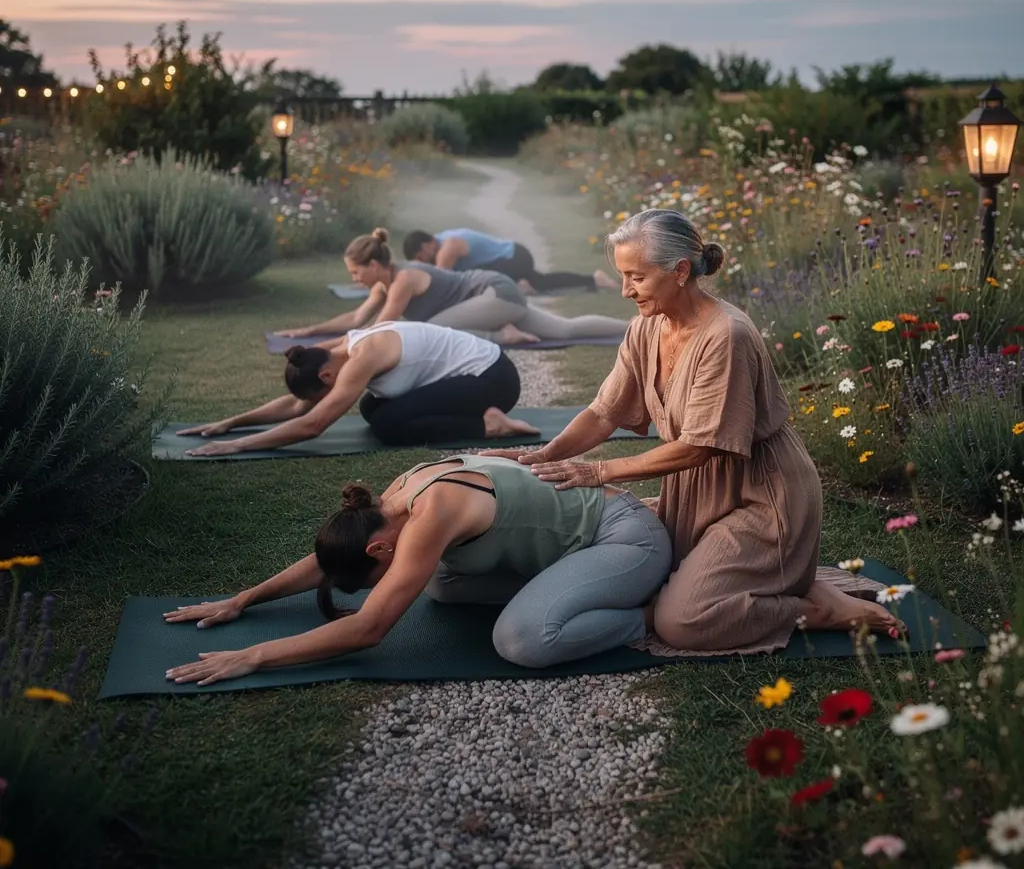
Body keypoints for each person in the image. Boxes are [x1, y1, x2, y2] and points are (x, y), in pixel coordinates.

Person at [482, 208, 903, 655]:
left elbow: (700, 448)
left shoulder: (727, 335)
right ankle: (791, 586)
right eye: (622, 276)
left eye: (636, 277)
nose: (625, 291)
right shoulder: (647, 326)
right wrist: (544, 458)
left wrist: (598, 472)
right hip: (693, 493)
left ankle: (819, 611)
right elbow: (604, 413)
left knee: (682, 622)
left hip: (764, 497)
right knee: (631, 565)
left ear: (680, 270)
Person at [162, 455, 673, 684]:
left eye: (371, 580)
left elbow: (369, 629)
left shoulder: (432, 513)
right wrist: (244, 598)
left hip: (626, 539)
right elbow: (330, 558)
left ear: (381, 550)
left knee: (522, 641)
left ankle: (647, 616)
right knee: (443, 585)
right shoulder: (393, 499)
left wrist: (253, 656)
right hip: (574, 543)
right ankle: (571, 588)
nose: (374, 588)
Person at [177, 321, 539, 457]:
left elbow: (312, 424)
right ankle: (483, 418)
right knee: (372, 409)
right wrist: (231, 423)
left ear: (326, 379)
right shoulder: (338, 351)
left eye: (322, 394)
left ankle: (489, 426)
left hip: (494, 380)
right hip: (471, 376)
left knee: (388, 425)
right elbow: (297, 408)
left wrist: (235, 446)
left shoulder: (363, 355)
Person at [274, 228, 631, 347]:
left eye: (355, 272)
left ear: (372, 265)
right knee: (564, 329)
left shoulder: (403, 280)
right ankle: (634, 327)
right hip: (496, 296)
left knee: (424, 329)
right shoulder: (384, 285)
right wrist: (311, 331)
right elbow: (356, 317)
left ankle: (501, 335)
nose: (355, 279)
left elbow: (380, 328)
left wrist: (332, 346)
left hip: (495, 293)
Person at [402, 228, 618, 295]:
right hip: (512, 258)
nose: (424, 263)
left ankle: (517, 285)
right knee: (541, 283)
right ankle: (593, 279)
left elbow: (442, 281)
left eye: (421, 258)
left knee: (470, 279)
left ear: (427, 246)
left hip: (514, 257)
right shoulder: (442, 241)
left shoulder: (448, 247)